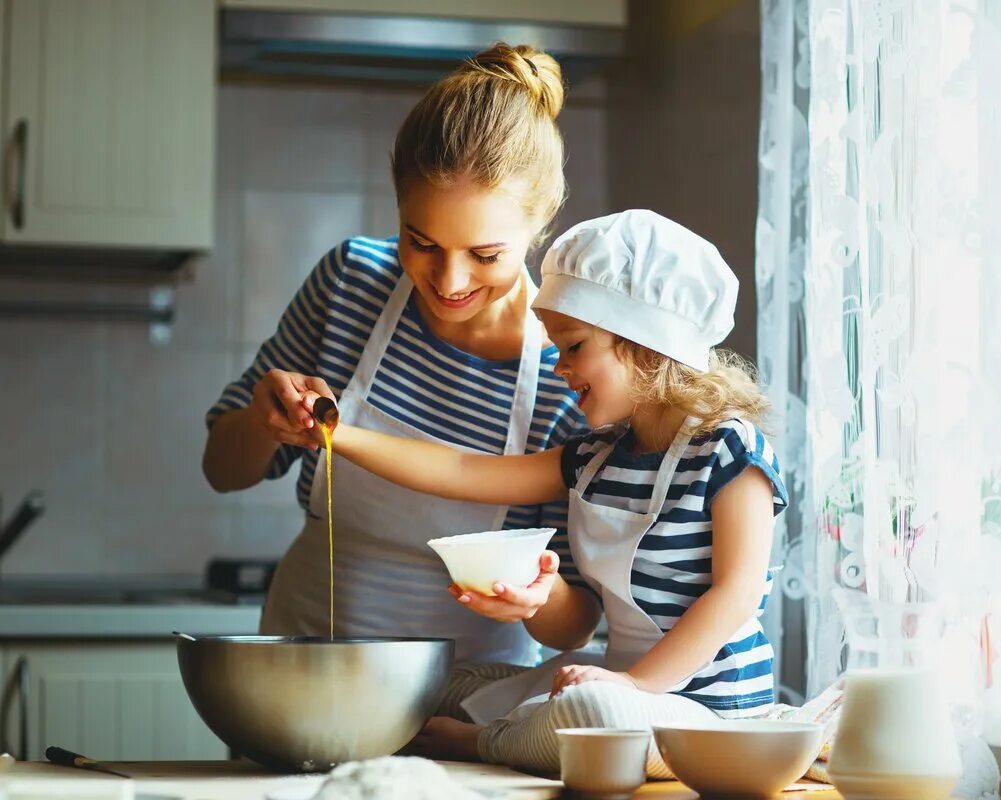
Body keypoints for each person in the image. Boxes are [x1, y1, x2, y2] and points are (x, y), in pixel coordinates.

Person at [319, 210, 789, 777]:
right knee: (449, 680)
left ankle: (482, 742)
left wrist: (635, 685)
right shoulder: (595, 457)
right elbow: (465, 470)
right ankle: (520, 726)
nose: (560, 367)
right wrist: (334, 434)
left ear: (642, 342)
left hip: (711, 715)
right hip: (620, 687)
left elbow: (736, 594)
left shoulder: (730, 451)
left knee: (595, 710)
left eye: (573, 346)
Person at [201, 44, 594, 692]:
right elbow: (221, 469)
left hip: (467, 704)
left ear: (540, 222)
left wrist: (536, 598)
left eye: (486, 253)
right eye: (422, 242)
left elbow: (574, 622)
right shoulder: (351, 284)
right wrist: (263, 420)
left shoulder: (568, 368)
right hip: (301, 672)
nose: (449, 280)